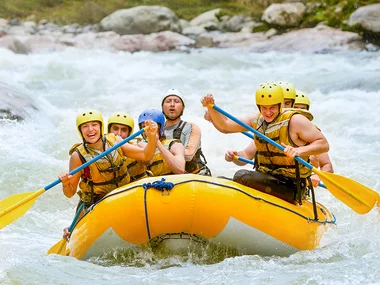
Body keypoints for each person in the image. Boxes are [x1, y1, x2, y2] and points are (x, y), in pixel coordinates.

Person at [201, 82, 329, 204]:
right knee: (220, 181)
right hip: (266, 179)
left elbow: (323, 144)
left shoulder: (296, 120)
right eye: (264, 108)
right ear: (258, 106)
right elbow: (225, 125)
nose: (268, 112)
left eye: (273, 107)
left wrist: (299, 151)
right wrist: (211, 108)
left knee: (242, 176)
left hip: (291, 185)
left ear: (280, 105)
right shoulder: (257, 121)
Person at [59, 109, 158, 208]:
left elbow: (146, 155)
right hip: (99, 203)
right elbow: (70, 193)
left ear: (101, 127)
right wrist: (66, 184)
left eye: (94, 125)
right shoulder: (77, 156)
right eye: (85, 126)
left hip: (125, 195)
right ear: (80, 131)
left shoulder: (115, 140)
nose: (90, 129)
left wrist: (152, 137)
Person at [162, 88, 211, 176]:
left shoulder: (191, 127)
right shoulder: (156, 131)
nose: (172, 104)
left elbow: (189, 155)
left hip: (195, 176)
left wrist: (160, 149)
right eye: (168, 101)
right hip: (169, 178)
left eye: (176, 101)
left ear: (183, 108)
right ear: (162, 107)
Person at [293, 90, 334, 187]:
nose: (299, 113)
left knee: (312, 157)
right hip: (279, 179)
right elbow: (249, 153)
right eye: (295, 108)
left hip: (302, 184)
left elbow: (327, 165)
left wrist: (317, 176)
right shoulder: (277, 128)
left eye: (303, 109)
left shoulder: (313, 136)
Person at [138, 109, 186, 176]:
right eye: (144, 127)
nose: (148, 130)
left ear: (160, 128)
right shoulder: (137, 146)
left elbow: (180, 170)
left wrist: (156, 141)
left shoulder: (175, 145)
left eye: (152, 126)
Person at [107, 112, 152, 182]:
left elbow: (149, 160)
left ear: (129, 133)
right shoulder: (101, 147)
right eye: (115, 129)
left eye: (123, 130)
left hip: (139, 187)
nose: (119, 133)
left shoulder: (138, 144)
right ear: (109, 130)